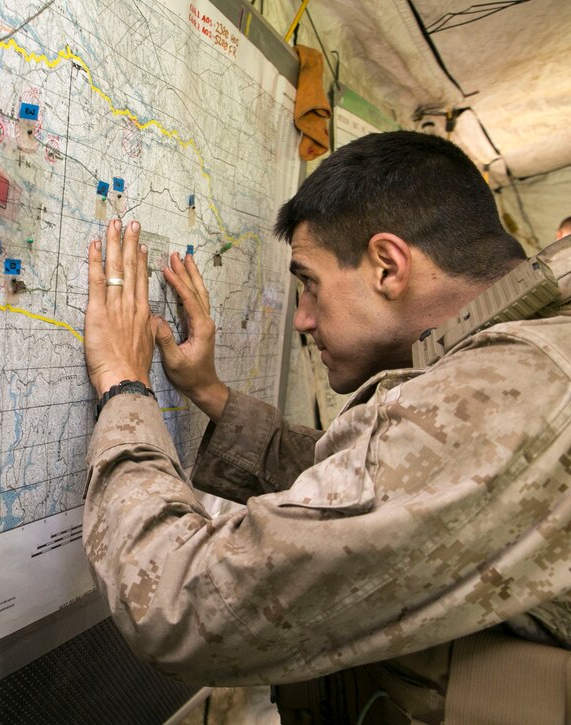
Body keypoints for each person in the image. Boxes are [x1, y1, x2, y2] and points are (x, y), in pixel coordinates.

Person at [81, 131, 571, 724]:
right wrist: (209, 393)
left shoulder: (506, 388)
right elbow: (371, 481)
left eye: (308, 282)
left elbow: (180, 604)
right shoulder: (532, 355)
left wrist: (124, 386)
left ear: (388, 266)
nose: (302, 318)